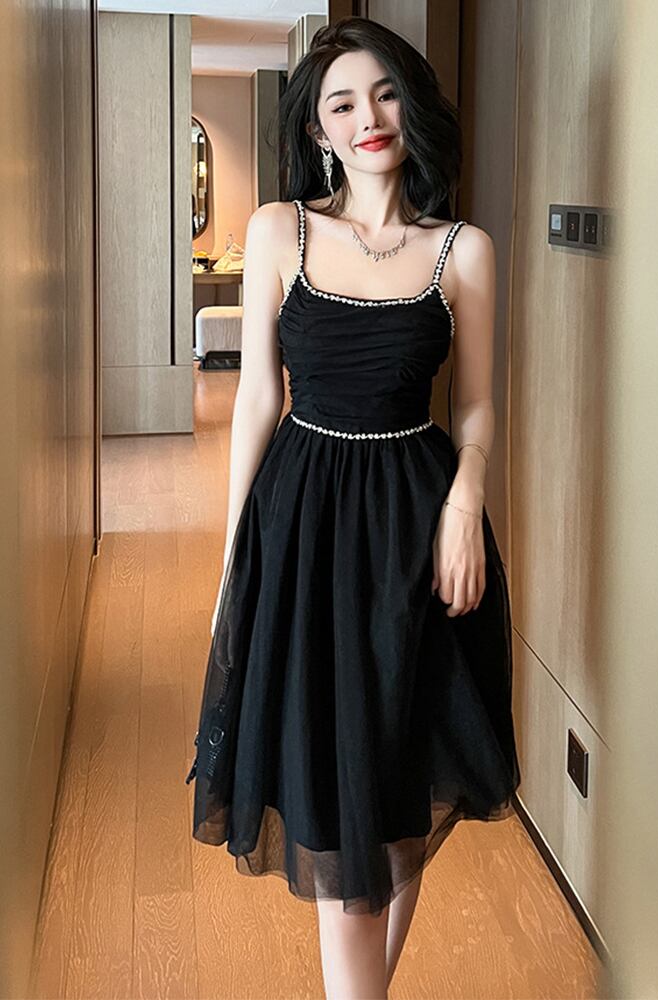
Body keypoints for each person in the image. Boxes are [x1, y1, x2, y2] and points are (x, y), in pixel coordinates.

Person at [185, 15, 521, 999]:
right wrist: (235, 561)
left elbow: (477, 406)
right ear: (317, 128)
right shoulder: (279, 230)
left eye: (384, 94)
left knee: (399, 779)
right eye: (342, 103)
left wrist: (466, 500)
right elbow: (258, 400)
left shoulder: (463, 250)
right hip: (305, 530)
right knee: (334, 795)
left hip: (420, 531)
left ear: (410, 107)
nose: (367, 117)